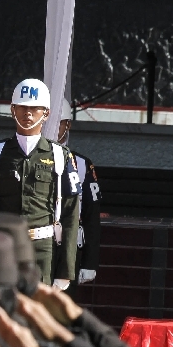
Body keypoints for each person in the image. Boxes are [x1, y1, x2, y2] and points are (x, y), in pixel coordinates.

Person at [0, 78, 81, 289]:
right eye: (22, 107)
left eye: (35, 108)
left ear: (46, 113)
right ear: (12, 110)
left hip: (43, 249)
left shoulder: (60, 156)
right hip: (3, 247)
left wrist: (65, 270)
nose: (28, 114)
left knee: (37, 315)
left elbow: (70, 214)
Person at [56, 99, 101, 296]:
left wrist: (90, 262)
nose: (53, 128)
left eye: (59, 122)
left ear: (68, 125)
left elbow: (92, 217)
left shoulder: (81, 165)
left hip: (68, 251)